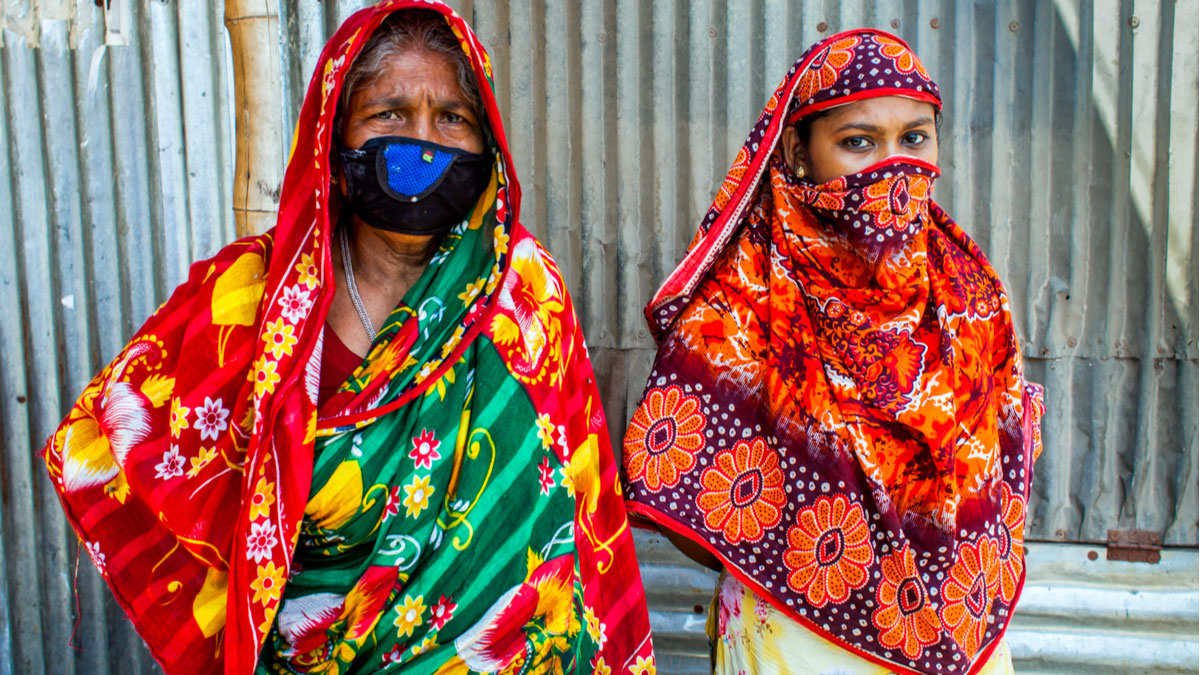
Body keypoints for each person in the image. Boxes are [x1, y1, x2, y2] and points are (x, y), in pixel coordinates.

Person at [42, 2, 655, 673]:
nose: (424, 140)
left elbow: (580, 516)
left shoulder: (523, 293)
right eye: (389, 113)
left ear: (486, 147)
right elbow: (120, 443)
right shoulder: (254, 293)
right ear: (334, 143)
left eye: (452, 117)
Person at [621, 28, 1043, 675]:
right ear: (798, 150)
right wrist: (794, 547)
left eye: (914, 138)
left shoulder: (970, 297)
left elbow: (994, 489)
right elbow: (683, 489)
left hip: (963, 645)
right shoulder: (745, 300)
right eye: (858, 141)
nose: (891, 166)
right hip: (793, 639)